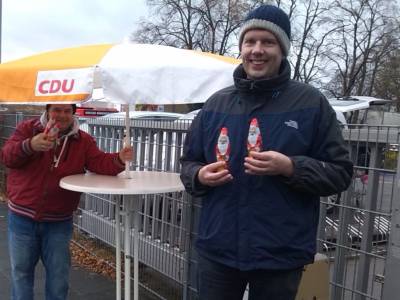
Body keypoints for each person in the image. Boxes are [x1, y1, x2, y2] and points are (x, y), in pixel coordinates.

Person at [180, 4, 353, 300]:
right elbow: (187, 165)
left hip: (280, 254)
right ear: (242, 48)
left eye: (268, 42)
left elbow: (340, 173)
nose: (257, 50)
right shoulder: (214, 105)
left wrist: (291, 167)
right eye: (250, 41)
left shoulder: (312, 103)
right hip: (218, 250)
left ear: (282, 49)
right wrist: (199, 175)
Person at [1, 104, 133, 300]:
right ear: (47, 110)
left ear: (73, 113)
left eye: (67, 111)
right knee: (21, 274)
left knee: (58, 278)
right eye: (57, 110)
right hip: (22, 217)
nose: (61, 115)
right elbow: (7, 157)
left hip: (58, 221)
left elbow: (99, 163)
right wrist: (29, 145)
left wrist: (119, 160)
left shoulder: (83, 140)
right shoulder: (28, 129)